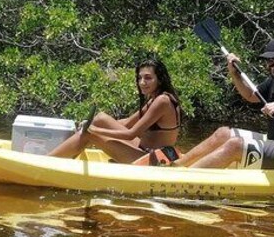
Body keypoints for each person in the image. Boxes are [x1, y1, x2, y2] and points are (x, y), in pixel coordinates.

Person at [174, 37, 274, 169]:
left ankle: (186, 179)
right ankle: (176, 167)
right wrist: (234, 73)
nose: (270, 64)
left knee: (235, 145)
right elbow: (250, 95)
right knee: (223, 133)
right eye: (268, 60)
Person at [48, 59, 181, 164]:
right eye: (140, 78)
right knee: (100, 118)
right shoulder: (157, 98)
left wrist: (93, 130)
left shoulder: (162, 101)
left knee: (89, 134)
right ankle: (63, 158)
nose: (142, 82)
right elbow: (127, 123)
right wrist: (94, 125)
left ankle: (49, 161)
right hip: (144, 149)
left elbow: (130, 134)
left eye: (148, 78)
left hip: (152, 160)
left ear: (160, 79)